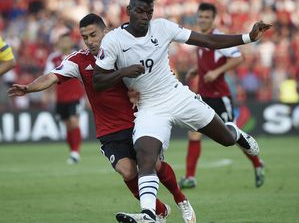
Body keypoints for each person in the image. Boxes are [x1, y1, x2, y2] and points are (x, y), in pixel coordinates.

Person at [93, 0, 270, 223]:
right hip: (150, 107)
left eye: (149, 11)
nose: (145, 16)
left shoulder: (163, 27)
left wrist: (248, 37)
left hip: (177, 96)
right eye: (140, 11)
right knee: (145, 156)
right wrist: (124, 71)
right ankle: (149, 214)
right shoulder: (113, 40)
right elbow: (98, 81)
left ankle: (235, 133)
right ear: (129, 11)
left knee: (226, 140)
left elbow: (206, 39)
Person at [8, 13, 196, 223]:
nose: (89, 41)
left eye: (93, 35)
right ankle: (159, 211)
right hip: (109, 130)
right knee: (127, 172)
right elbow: (51, 77)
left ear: (105, 32)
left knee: (155, 165)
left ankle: (181, 200)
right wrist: (28, 88)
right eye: (85, 37)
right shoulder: (78, 61)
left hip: (138, 121)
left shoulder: (123, 52)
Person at [178, 2, 265, 189]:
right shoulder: (200, 38)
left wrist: (217, 73)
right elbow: (207, 62)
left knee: (231, 136)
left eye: (207, 17)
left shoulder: (218, 37)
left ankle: (257, 164)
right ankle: (190, 177)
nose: (203, 20)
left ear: (213, 19)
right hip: (202, 95)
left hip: (219, 96)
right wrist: (196, 70)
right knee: (193, 134)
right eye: (200, 17)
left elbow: (239, 58)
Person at [44, 32, 85, 164]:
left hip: (76, 96)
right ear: (59, 43)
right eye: (62, 41)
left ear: (71, 43)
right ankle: (72, 151)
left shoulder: (78, 56)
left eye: (67, 41)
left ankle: (76, 152)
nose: (64, 44)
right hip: (61, 98)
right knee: (67, 126)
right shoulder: (53, 58)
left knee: (74, 121)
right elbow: (47, 77)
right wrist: (47, 93)